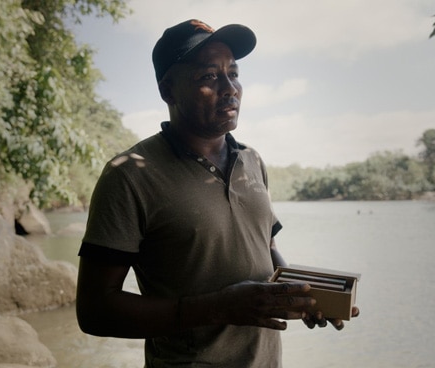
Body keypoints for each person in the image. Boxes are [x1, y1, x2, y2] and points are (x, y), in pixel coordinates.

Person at [76, 19, 359, 367]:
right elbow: (94, 311)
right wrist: (218, 308)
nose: (230, 88)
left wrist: (302, 294)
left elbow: (266, 248)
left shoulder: (252, 160)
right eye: (208, 76)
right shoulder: (130, 176)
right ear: (168, 90)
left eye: (234, 74)